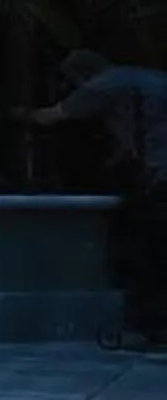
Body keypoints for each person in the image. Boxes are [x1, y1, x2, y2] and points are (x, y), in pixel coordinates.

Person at [32, 50, 167, 344]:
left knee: (145, 249)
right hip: (157, 171)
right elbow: (137, 128)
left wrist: (20, 115)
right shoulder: (145, 78)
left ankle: (151, 323)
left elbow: (59, 114)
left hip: (159, 180)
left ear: (81, 75)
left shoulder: (104, 84)